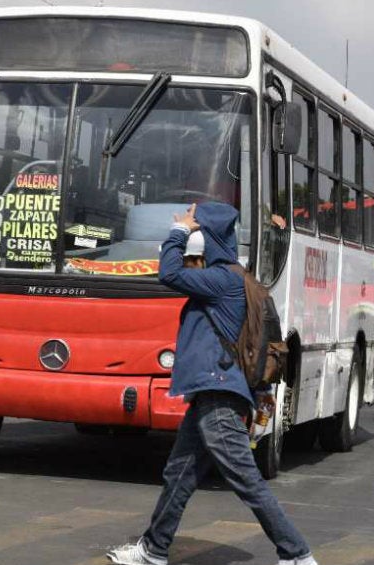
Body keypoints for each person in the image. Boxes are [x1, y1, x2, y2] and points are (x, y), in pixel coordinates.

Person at [106, 202, 316, 565]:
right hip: (213, 394)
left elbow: (168, 274)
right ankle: (154, 549)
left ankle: (297, 555)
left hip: (219, 398)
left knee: (246, 480)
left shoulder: (223, 280)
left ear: (211, 238)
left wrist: (178, 232)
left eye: (198, 231)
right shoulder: (237, 278)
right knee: (180, 473)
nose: (192, 238)